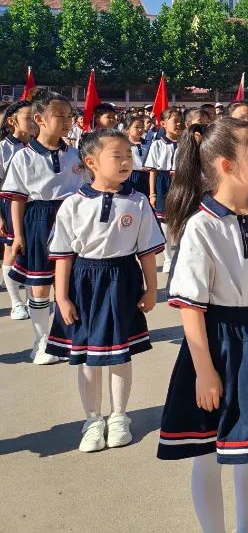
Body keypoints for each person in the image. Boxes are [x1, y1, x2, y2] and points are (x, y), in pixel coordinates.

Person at [157, 117, 248, 533]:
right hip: (216, 342)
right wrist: (204, 371)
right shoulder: (202, 225)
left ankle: (246, 529)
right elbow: (191, 306)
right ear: (225, 165)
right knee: (206, 449)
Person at [44, 129, 164, 451]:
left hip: (124, 279)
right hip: (84, 283)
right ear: (91, 162)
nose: (127, 161)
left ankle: (119, 416)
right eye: (118, 156)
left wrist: (152, 289)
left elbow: (148, 251)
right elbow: (63, 256)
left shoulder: (137, 201)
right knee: (87, 357)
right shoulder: (72, 204)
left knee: (121, 354)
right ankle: (93, 419)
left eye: (129, 155)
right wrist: (62, 297)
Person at [2, 92, 85, 364]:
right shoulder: (23, 157)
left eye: (69, 115)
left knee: (71, 282)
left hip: (72, 220)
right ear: (39, 119)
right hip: (39, 219)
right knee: (40, 284)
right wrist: (17, 236)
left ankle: (68, 339)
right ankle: (42, 342)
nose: (66, 121)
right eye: (59, 115)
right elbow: (17, 199)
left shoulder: (75, 154)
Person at [1, 99, 34, 320]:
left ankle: (34, 299)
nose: (33, 122)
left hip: (34, 206)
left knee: (32, 253)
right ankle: (16, 302)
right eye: (27, 118)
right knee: (12, 251)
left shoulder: (35, 146)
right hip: (9, 203)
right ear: (12, 122)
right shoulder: (3, 148)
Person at [146, 106, 183, 221]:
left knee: (180, 215)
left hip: (180, 180)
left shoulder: (185, 144)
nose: (178, 124)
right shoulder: (157, 144)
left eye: (180, 121)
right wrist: (152, 194)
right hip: (163, 181)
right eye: (175, 121)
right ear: (163, 124)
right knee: (164, 218)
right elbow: (153, 171)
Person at [125, 115, 151, 198]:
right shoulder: (124, 144)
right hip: (131, 176)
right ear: (127, 130)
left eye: (142, 127)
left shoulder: (149, 143)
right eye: (136, 127)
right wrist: (138, 167)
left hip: (147, 175)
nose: (140, 129)